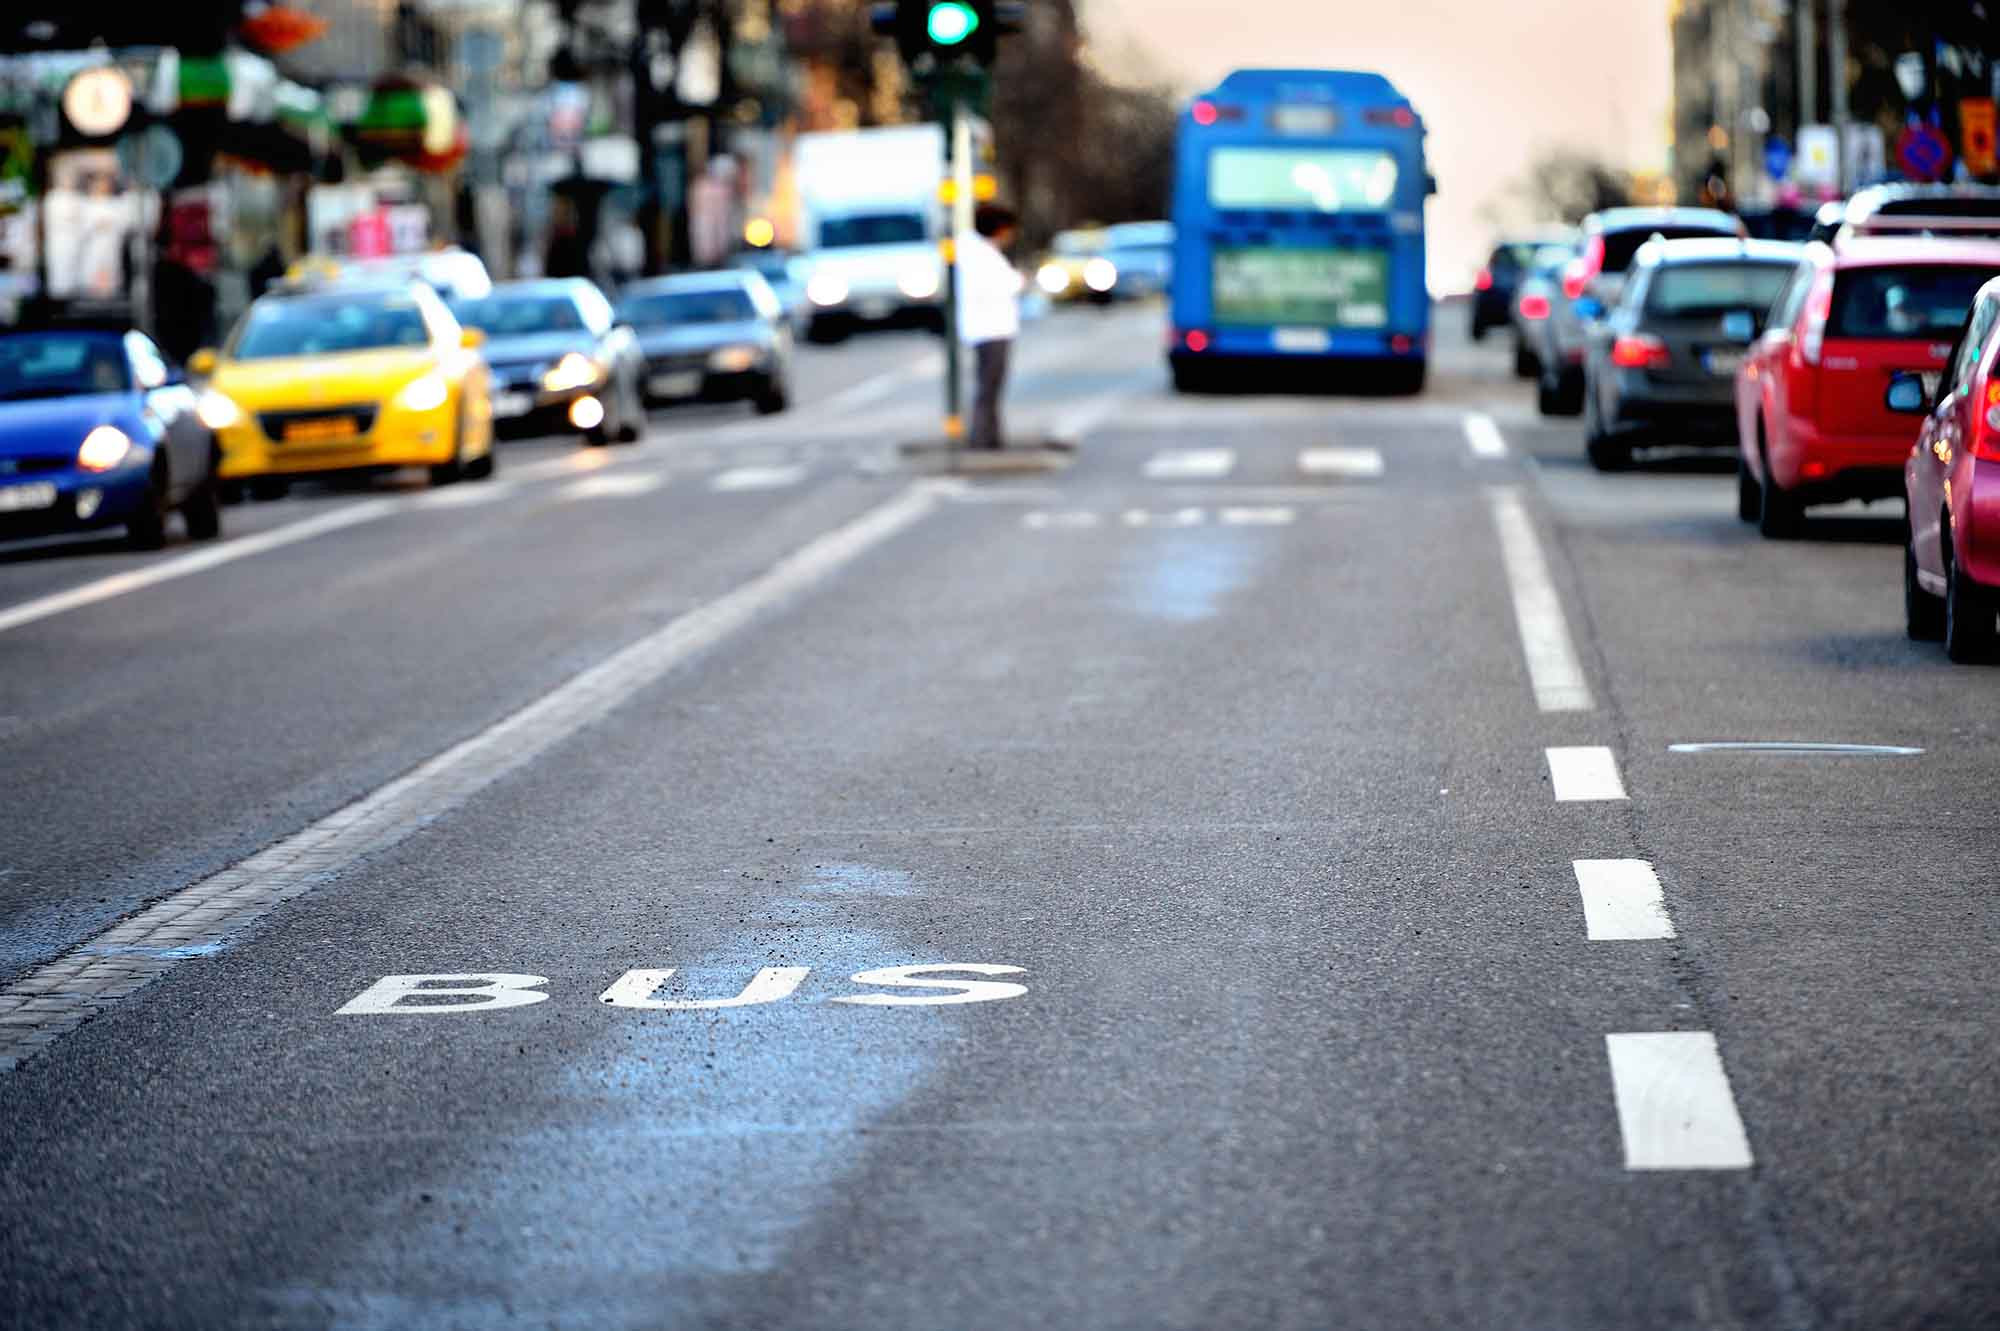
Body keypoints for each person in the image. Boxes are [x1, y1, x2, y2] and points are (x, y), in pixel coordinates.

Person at [957, 203, 1021, 450]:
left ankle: (989, 435)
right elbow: (1000, 286)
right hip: (991, 328)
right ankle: (984, 437)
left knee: (990, 386)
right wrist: (1018, 281)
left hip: (987, 327)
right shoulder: (982, 256)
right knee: (989, 386)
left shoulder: (978, 252)